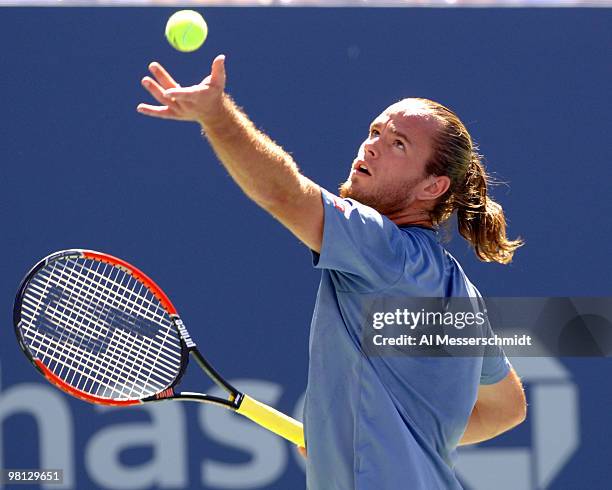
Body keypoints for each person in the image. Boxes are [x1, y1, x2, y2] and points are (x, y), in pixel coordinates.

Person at [138, 55, 527, 490]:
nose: (372, 146)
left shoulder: (383, 249)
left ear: (432, 187)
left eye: (399, 144)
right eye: (375, 131)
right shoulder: (458, 291)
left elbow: (282, 193)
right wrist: (360, 439)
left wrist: (216, 116)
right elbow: (506, 407)